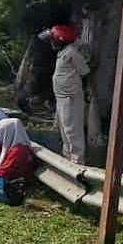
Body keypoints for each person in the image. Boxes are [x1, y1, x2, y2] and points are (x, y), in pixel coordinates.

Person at [41, 24, 90, 165]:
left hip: (71, 98)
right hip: (62, 98)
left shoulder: (72, 52)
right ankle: (68, 158)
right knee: (64, 130)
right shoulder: (63, 52)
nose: (52, 43)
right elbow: (41, 38)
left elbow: (85, 72)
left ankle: (77, 161)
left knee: (72, 131)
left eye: (54, 40)